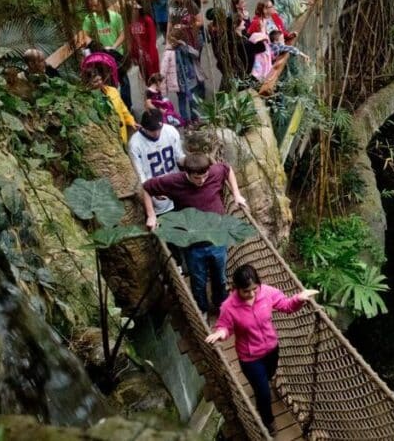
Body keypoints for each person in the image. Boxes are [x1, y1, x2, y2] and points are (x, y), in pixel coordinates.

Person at [205, 264, 318, 434]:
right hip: (250, 357)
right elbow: (225, 326)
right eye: (246, 291)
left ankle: (264, 388)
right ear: (237, 289)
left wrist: (299, 298)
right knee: (263, 392)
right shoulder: (229, 306)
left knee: (270, 375)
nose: (251, 294)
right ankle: (268, 421)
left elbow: (285, 305)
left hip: (271, 348)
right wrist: (221, 332)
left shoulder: (266, 292)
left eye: (254, 289)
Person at [141, 153, 249, 314]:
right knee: (198, 280)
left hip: (218, 240)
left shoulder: (214, 172)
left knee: (220, 278)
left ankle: (221, 305)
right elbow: (146, 187)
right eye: (196, 178)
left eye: (204, 176)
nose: (202, 181)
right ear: (187, 173)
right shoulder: (174, 181)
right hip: (193, 246)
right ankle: (201, 309)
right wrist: (151, 214)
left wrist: (236, 194)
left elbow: (227, 169)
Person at [129, 108, 186, 214]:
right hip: (157, 189)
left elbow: (179, 157)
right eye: (152, 130)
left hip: (175, 183)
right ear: (143, 127)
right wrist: (152, 191)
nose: (156, 133)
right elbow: (140, 175)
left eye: (158, 129)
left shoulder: (171, 131)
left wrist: (191, 162)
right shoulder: (135, 144)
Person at [82, 62, 136, 144]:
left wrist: (131, 121)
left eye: (100, 79)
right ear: (88, 84)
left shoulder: (112, 91)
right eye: (95, 81)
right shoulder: (89, 101)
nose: (100, 83)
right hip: (110, 140)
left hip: (122, 133)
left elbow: (123, 109)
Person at [160, 31, 204, 124]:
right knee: (182, 101)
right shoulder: (168, 53)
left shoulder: (186, 48)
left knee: (193, 100)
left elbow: (196, 54)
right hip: (179, 83)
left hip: (190, 80)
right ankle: (185, 120)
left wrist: (186, 46)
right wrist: (163, 87)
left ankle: (194, 117)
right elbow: (163, 70)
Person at [128, 0, 159, 83]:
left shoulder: (147, 20)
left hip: (150, 55)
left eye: (135, 9)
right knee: (147, 80)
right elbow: (132, 41)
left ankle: (158, 95)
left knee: (155, 79)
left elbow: (152, 40)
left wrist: (150, 57)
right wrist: (133, 56)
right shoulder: (131, 23)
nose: (133, 11)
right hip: (140, 57)